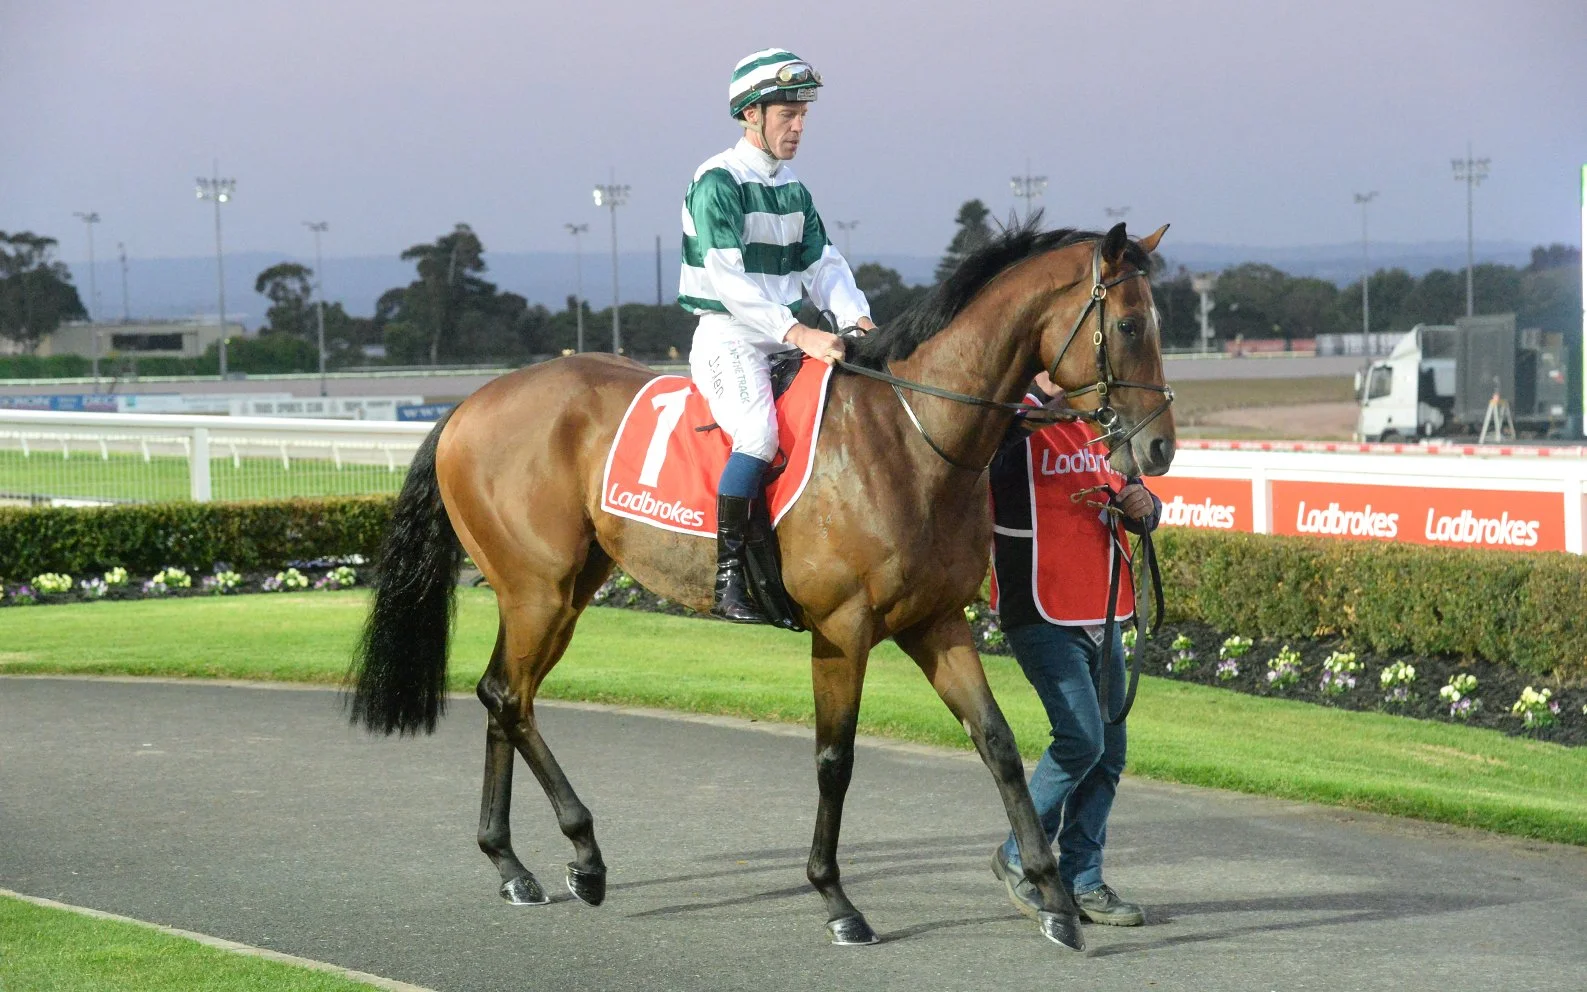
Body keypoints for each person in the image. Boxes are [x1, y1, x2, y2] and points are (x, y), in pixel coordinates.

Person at [678, 49, 874, 624]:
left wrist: (856, 320)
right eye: (787, 114)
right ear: (751, 115)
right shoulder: (717, 180)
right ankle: (728, 578)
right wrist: (800, 331)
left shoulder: (793, 189)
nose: (798, 127)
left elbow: (824, 265)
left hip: (785, 339)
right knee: (760, 435)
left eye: (803, 115)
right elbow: (727, 278)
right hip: (729, 336)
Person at [986, 373, 1161, 927]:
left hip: (1102, 610)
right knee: (1081, 739)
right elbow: (987, 457)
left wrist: (1145, 505)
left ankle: (1084, 879)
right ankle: (1019, 853)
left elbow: (1139, 498)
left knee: (1108, 756)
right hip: (1039, 609)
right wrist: (1038, 402)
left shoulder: (1102, 425)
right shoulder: (1008, 422)